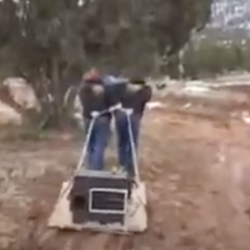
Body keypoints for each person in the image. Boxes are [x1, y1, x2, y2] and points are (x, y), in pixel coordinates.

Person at [115, 78, 152, 177]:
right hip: (134, 116)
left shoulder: (122, 88)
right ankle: (130, 168)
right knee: (132, 142)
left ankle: (122, 165)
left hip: (121, 114)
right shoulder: (144, 91)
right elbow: (147, 97)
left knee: (122, 142)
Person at [79, 69, 111, 170]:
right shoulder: (106, 87)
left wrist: (90, 111)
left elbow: (84, 103)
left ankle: (90, 168)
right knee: (99, 145)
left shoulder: (84, 87)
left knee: (90, 144)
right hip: (103, 118)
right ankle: (96, 169)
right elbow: (111, 101)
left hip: (89, 118)